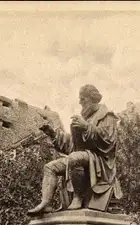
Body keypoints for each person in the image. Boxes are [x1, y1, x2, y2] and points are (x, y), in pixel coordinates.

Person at [27, 84, 122, 216]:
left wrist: (86, 127)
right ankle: (45, 203)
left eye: (83, 99)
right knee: (50, 167)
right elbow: (72, 146)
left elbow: (109, 141)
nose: (80, 102)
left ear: (93, 99)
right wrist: (53, 134)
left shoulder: (107, 116)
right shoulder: (86, 117)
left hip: (100, 161)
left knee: (74, 158)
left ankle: (78, 197)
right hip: (82, 157)